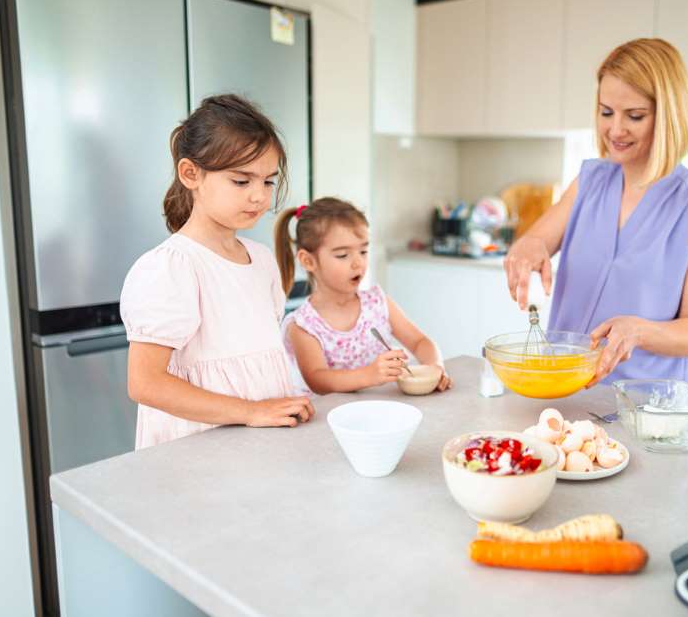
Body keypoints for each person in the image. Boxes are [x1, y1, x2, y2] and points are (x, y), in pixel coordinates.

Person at [503, 38, 688, 387]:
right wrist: (526, 248)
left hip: (644, 407)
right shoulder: (589, 182)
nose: (615, 130)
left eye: (635, 116)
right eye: (606, 112)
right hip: (563, 392)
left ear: (670, 116)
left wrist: (639, 331)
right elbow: (537, 240)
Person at [120, 94, 315, 449]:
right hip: (198, 455)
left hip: (257, 446)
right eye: (241, 181)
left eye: (268, 181)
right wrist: (251, 411)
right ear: (190, 174)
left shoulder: (262, 260)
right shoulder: (171, 267)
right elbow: (145, 383)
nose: (259, 196)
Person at [274, 197, 453, 394]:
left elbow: (420, 342)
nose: (358, 263)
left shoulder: (377, 303)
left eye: (363, 251)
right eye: (343, 255)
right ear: (308, 261)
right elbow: (317, 379)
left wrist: (435, 367)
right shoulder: (303, 325)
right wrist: (369, 375)